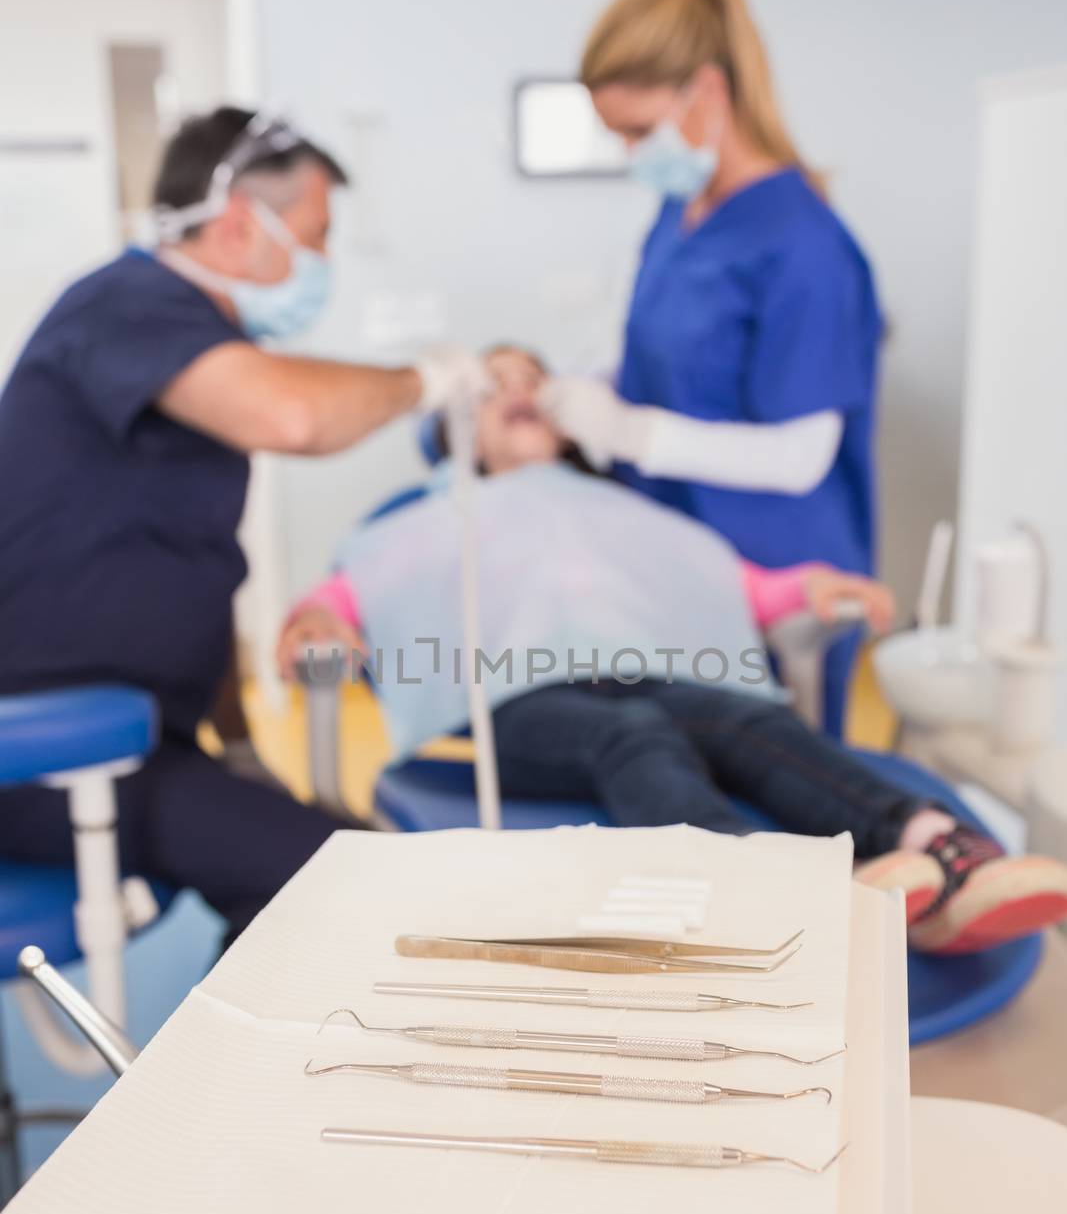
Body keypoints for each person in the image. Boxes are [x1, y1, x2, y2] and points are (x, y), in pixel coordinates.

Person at [279, 348, 1067, 956]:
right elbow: (349, 596)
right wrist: (316, 620)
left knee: (750, 721)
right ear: (454, 429)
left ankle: (941, 851)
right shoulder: (427, 522)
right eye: (491, 388)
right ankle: (755, 897)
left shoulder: (626, 513)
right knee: (631, 738)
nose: (518, 391)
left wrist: (807, 587)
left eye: (536, 382)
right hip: (511, 711)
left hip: (655, 679)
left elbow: (733, 587)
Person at [0, 106, 488, 946]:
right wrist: (433, 377)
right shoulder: (126, 301)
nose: (323, 263)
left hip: (132, 739)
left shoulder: (173, 332)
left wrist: (239, 743)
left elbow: (173, 564)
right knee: (356, 888)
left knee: (302, 878)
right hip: (51, 750)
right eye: (316, 234)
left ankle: (231, 1060)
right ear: (237, 223)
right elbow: (293, 415)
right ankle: (212, 1078)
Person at [537, 0, 883, 735]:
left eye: (636, 130)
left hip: (776, 569)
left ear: (709, 93)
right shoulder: (678, 213)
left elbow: (801, 455)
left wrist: (627, 432)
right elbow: (669, 362)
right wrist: (578, 391)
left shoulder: (804, 246)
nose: (630, 155)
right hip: (671, 554)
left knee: (769, 810)